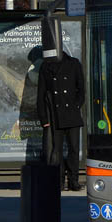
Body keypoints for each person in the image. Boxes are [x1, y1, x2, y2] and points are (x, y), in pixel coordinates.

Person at [37, 48, 85, 191]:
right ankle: (59, 182)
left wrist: (76, 106)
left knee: (74, 149)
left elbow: (81, 89)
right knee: (56, 150)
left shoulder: (74, 63)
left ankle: (73, 181)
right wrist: (44, 118)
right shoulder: (46, 67)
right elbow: (40, 94)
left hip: (71, 114)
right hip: (54, 115)